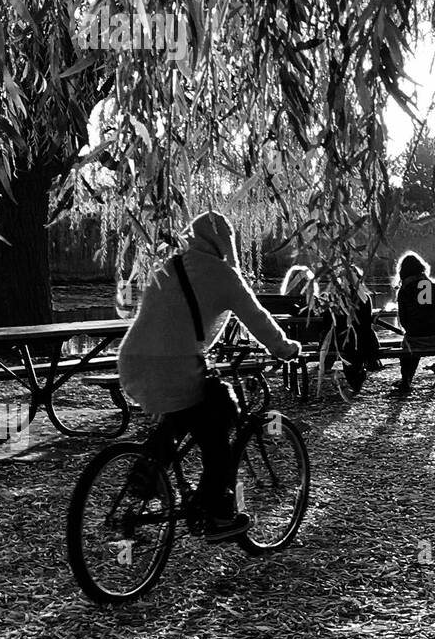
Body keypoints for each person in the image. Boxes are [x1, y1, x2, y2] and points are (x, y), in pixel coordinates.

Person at [118, 211, 302, 542]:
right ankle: (217, 514)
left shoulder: (169, 264)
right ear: (224, 243)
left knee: (186, 413)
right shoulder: (222, 273)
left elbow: (168, 319)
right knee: (223, 411)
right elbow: (257, 317)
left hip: (131, 361)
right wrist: (285, 348)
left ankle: (145, 472)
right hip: (173, 363)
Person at [394, 251, 435, 390]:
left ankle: (406, 379)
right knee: (414, 339)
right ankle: (406, 380)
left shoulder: (404, 290)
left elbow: (403, 319)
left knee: (408, 343)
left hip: (415, 338)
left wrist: (413, 327)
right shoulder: (434, 287)